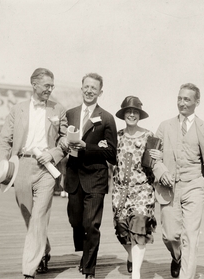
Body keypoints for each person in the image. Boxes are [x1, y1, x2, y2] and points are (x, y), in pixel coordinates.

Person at [0, 68, 67, 279]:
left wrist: (53, 153)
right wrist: (3, 164)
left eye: (52, 86)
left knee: (39, 217)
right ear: (34, 84)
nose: (50, 89)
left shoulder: (58, 109)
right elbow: (4, 140)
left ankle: (29, 269)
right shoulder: (17, 109)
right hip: (21, 168)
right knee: (29, 217)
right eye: (47, 85)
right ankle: (43, 251)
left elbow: (64, 141)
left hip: (46, 170)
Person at [152, 83, 204, 279]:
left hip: (195, 186)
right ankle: (177, 257)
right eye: (179, 98)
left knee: (191, 236)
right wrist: (161, 171)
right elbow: (153, 157)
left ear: (197, 102)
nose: (182, 103)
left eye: (187, 99)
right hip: (169, 187)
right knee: (170, 235)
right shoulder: (164, 126)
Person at [61, 73, 117, 279]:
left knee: (91, 224)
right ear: (81, 88)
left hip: (95, 178)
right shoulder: (69, 114)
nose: (89, 90)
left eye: (94, 88)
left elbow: (112, 155)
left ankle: (89, 268)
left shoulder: (107, 118)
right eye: (86, 86)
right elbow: (60, 139)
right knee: (76, 221)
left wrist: (88, 147)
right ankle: (83, 251)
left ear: (100, 92)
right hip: (74, 177)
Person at [112, 96, 160, 279]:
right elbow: (108, 155)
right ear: (124, 114)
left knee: (139, 228)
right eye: (128, 111)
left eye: (135, 112)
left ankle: (136, 274)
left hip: (142, 190)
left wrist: (158, 154)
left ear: (139, 115)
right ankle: (132, 256)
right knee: (121, 229)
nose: (131, 114)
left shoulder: (149, 135)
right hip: (120, 192)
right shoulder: (117, 136)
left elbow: (155, 160)